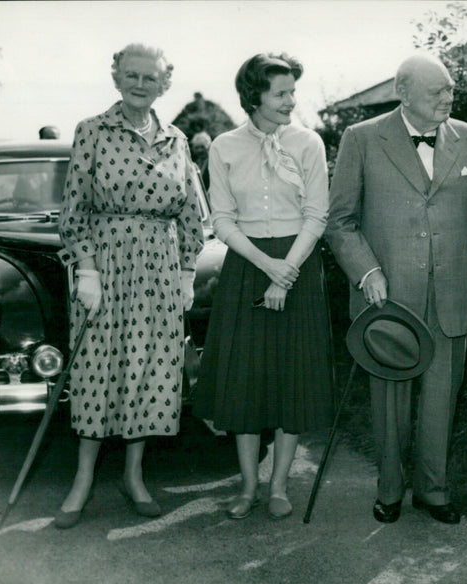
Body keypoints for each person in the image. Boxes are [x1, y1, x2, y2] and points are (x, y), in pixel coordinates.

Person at [325, 53, 467, 525]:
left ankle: (434, 490)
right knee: (389, 401)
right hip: (388, 299)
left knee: (443, 396)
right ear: (404, 94)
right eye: (436, 91)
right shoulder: (361, 139)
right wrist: (367, 272)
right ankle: (389, 488)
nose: (448, 98)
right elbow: (339, 221)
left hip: (453, 295)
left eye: (449, 90)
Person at [55, 43, 205, 529]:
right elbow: (74, 211)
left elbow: (189, 215)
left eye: (151, 77)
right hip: (107, 266)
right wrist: (87, 269)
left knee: (148, 371)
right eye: (132, 75)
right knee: (97, 369)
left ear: (165, 83)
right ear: (117, 76)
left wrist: (185, 273)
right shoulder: (91, 131)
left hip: (159, 272)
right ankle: (81, 480)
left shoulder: (178, 140)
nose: (141, 84)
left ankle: (134, 477)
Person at [195, 53, 334, 521]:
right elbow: (222, 219)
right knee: (245, 382)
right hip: (247, 267)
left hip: (298, 263)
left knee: (293, 379)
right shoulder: (225, 147)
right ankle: (248, 486)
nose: (291, 101)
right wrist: (265, 265)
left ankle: (279, 485)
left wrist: (287, 269)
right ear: (254, 96)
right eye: (281, 93)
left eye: (293, 92)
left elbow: (318, 214)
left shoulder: (308, 143)